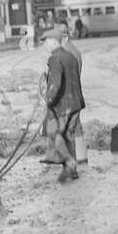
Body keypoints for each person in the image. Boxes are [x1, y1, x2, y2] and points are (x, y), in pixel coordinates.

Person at [42, 28, 83, 182]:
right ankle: (71, 171)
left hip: (62, 106)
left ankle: (70, 162)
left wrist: (47, 100)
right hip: (76, 103)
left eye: (46, 42)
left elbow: (55, 84)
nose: (45, 45)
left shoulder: (54, 59)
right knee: (68, 136)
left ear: (53, 41)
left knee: (54, 134)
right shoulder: (71, 56)